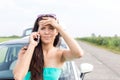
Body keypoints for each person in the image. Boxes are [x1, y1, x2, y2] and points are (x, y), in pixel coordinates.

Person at [13, 14, 84, 80]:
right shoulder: (26, 52)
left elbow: (78, 54)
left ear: (57, 32)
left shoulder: (60, 54)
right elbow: (18, 77)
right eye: (43, 28)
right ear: (37, 32)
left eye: (51, 28)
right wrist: (32, 45)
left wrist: (59, 27)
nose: (46, 32)